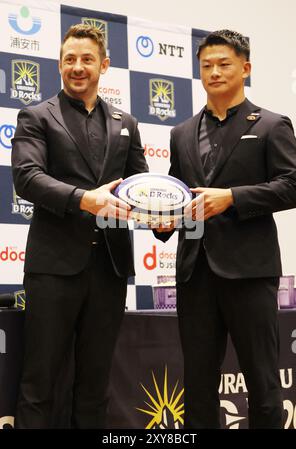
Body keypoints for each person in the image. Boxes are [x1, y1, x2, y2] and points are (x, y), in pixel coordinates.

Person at [155, 29, 296, 428]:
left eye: (224, 64)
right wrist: (165, 220)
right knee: (198, 385)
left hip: (250, 273)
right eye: (207, 65)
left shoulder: (272, 124)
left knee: (264, 382)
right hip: (194, 273)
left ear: (245, 68)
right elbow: (180, 195)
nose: (214, 72)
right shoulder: (181, 132)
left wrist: (233, 197)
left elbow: (293, 185)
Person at [11, 24, 148, 429]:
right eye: (69, 59)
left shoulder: (128, 122)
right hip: (53, 269)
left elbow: (140, 186)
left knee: (95, 385)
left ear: (104, 65)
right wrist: (84, 199)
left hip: (109, 269)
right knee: (40, 383)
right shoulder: (36, 116)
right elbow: (27, 177)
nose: (77, 66)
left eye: (87, 59)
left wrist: (165, 215)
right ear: (59, 64)